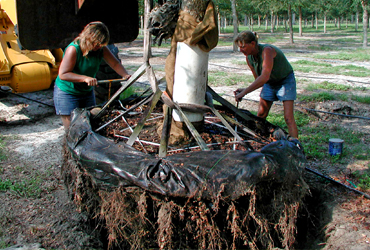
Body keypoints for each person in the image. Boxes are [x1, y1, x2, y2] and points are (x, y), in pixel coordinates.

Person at [53, 21, 131, 131]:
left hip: (86, 92)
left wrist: (126, 75)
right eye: (97, 43)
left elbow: (115, 63)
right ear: (89, 38)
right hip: (67, 92)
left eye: (101, 44)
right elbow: (63, 74)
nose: (99, 47)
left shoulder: (101, 49)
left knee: (91, 125)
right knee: (72, 130)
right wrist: (85, 78)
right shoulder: (74, 49)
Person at [233, 31, 298, 138]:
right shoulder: (249, 58)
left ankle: (295, 145)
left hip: (285, 81)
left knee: (288, 118)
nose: (241, 50)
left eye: (243, 46)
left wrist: (244, 92)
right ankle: (259, 140)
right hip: (269, 83)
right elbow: (258, 80)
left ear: (253, 44)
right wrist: (244, 89)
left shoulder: (267, 51)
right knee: (261, 116)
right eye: (239, 47)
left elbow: (264, 77)